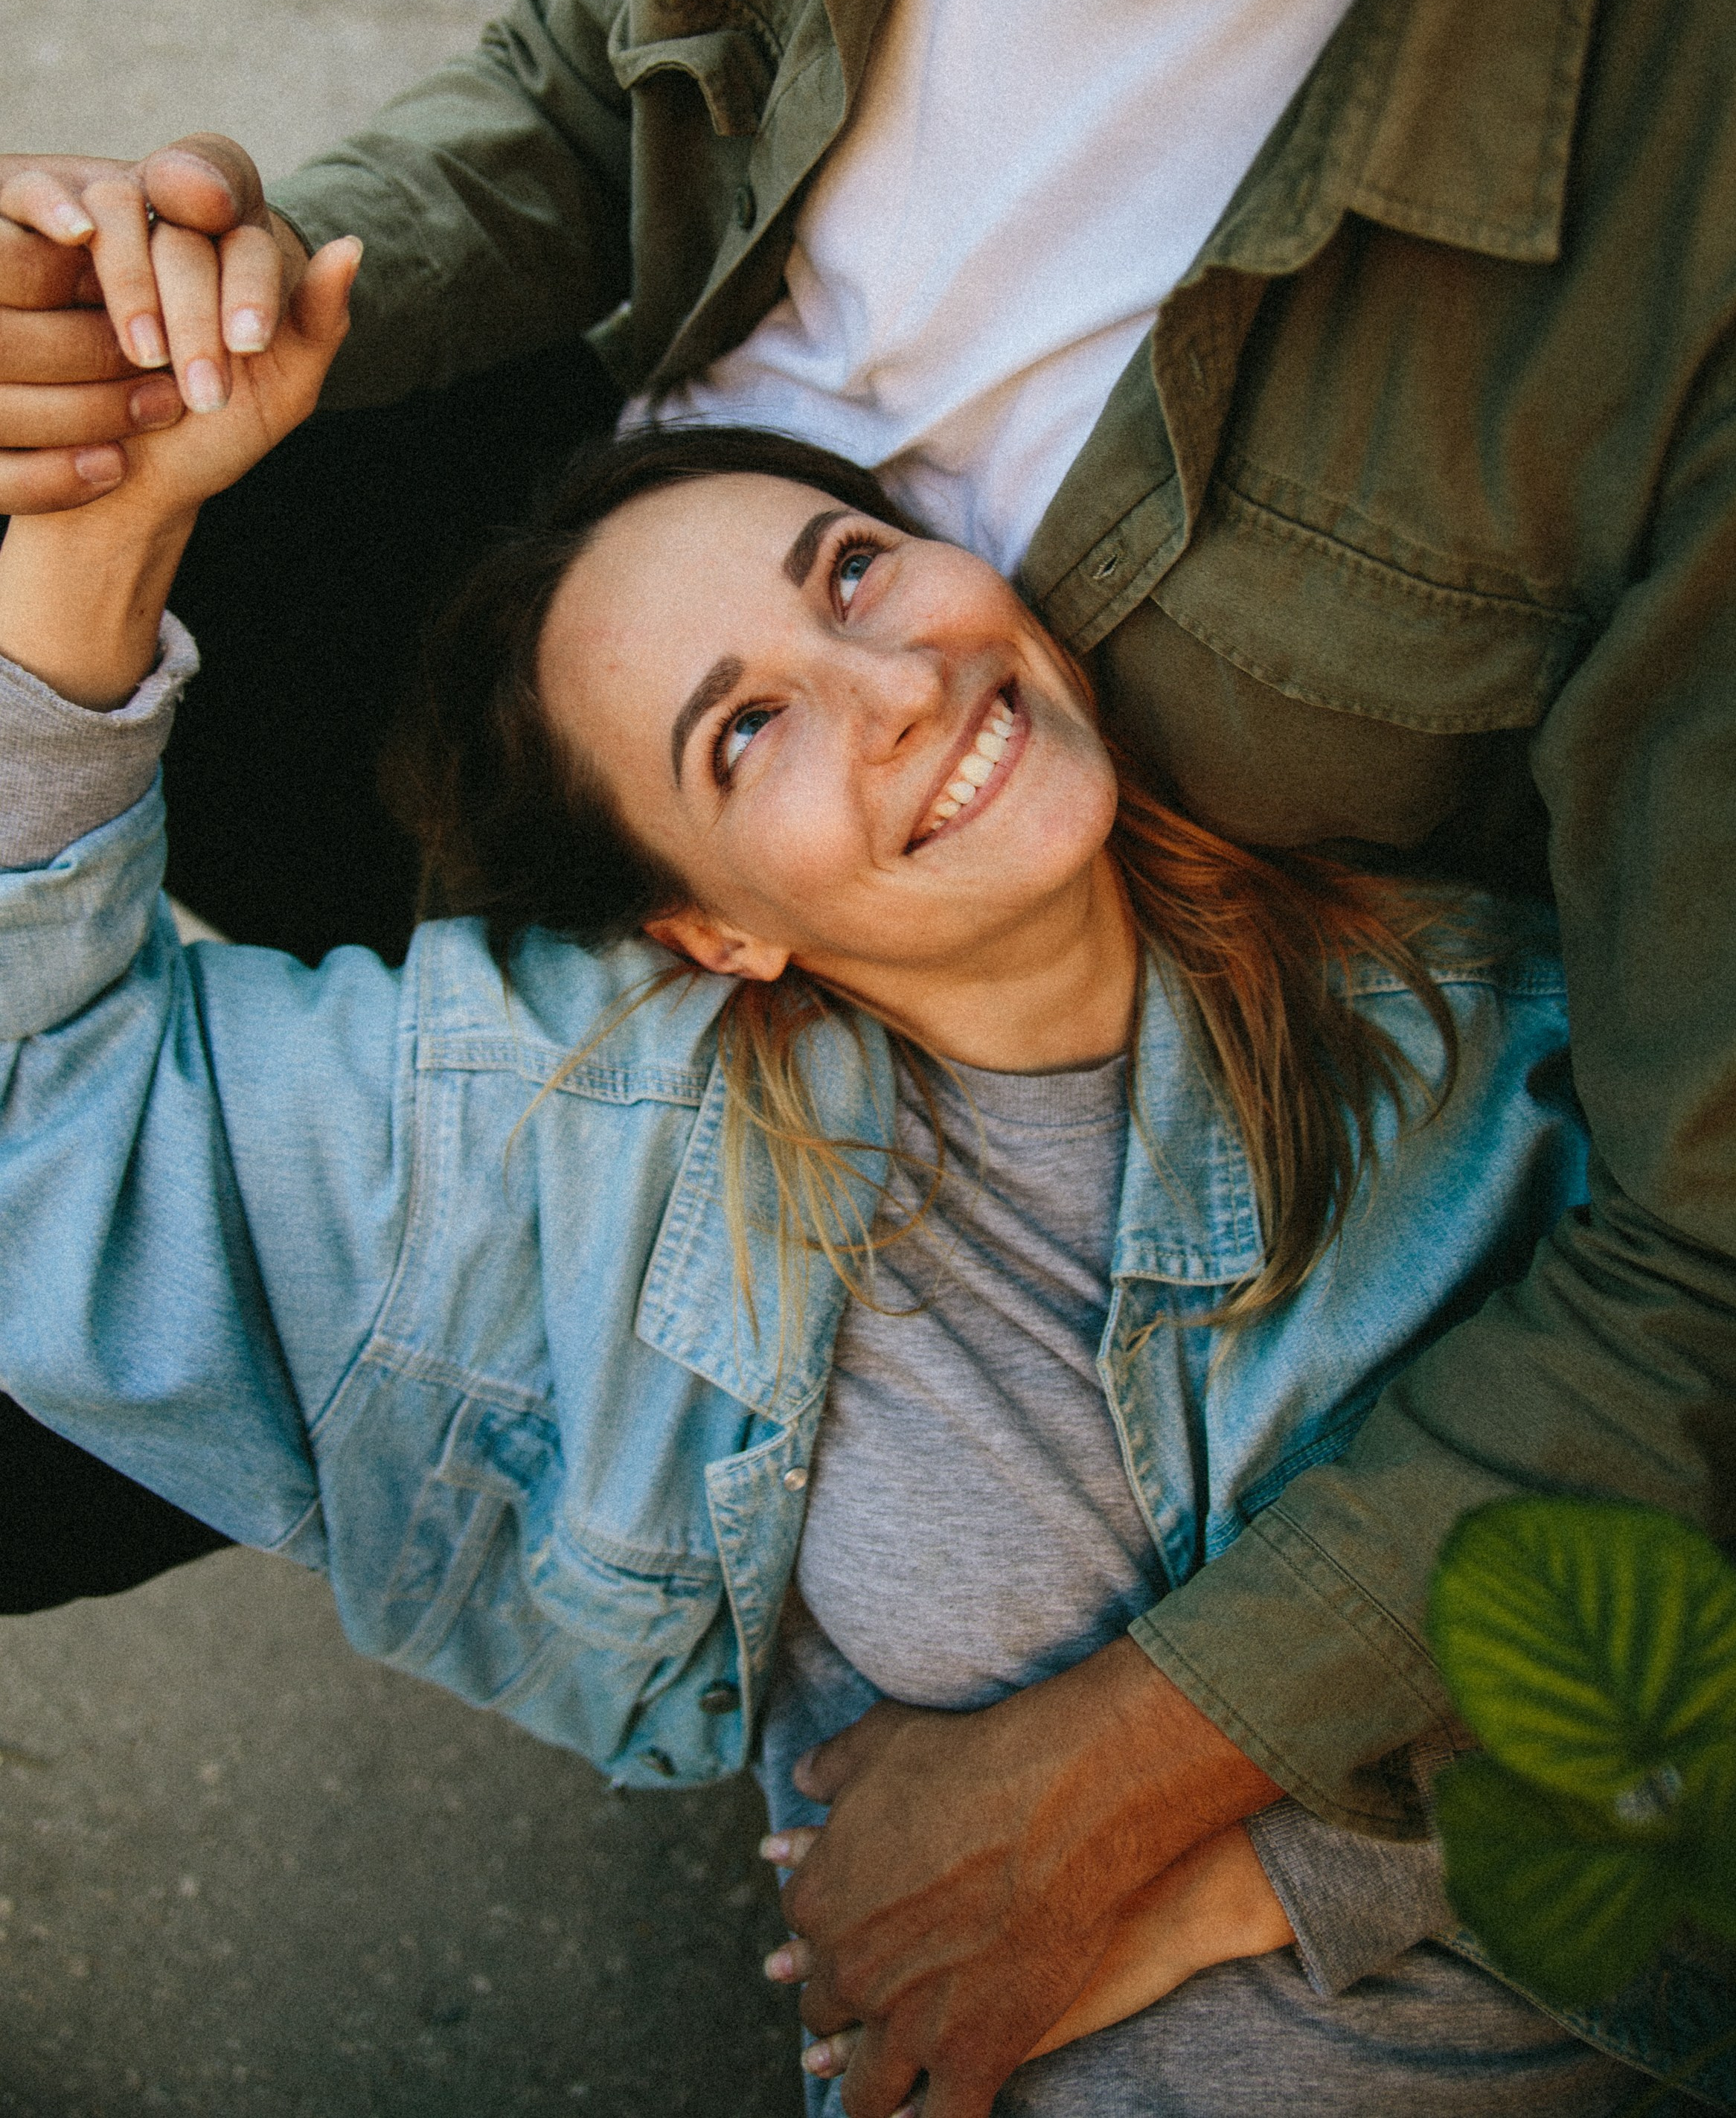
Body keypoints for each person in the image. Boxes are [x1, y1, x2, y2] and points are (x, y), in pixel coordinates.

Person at [1, 0, 1734, 2107]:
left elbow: (1694, 1272)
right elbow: (580, 102)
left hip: (1083, 995)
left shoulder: (1676, 152)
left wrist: (1147, 1765)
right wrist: (192, 346)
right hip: (598, 664)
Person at [0, 314, 1651, 2109]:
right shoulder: (606, 1153)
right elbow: (57, 1119)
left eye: (853, 570)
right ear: (713, 933)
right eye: (747, 728)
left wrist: (1243, 1879)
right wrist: (110, 519)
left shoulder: (1503, 1061)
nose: (896, 687)